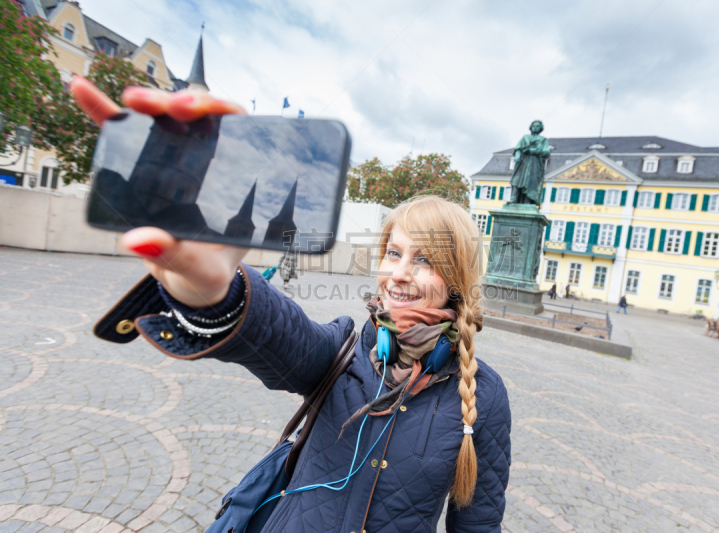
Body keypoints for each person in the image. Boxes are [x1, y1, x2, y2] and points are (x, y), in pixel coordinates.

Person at [74, 78, 511, 533]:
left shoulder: (486, 397)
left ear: (456, 281)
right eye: (393, 252)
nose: (398, 273)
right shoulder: (346, 348)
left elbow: (478, 525)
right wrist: (216, 293)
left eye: (424, 260)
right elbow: (278, 336)